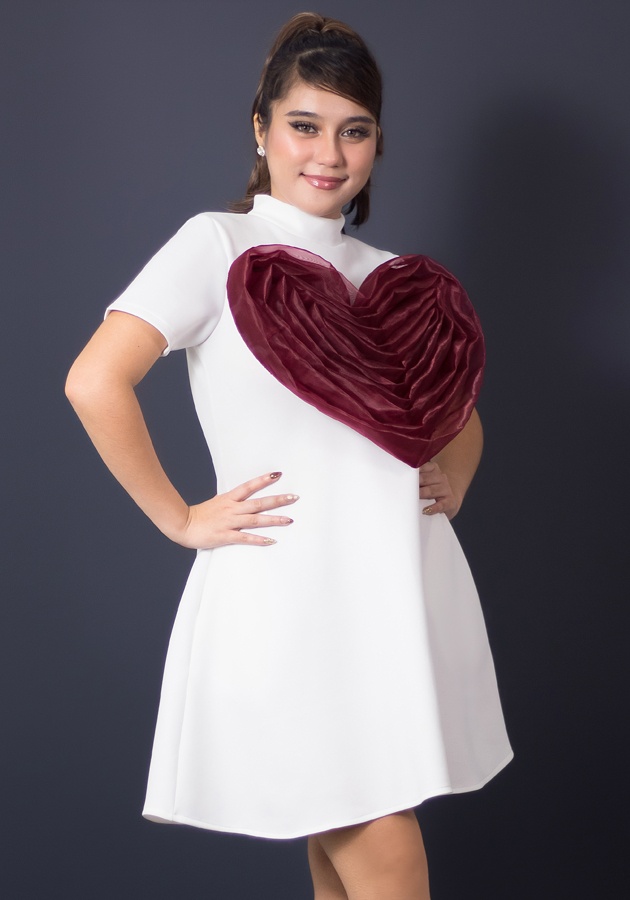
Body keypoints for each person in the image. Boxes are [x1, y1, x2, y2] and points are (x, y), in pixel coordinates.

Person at [66, 12, 512, 900]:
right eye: (305, 125)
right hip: (291, 601)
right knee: (382, 843)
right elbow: (94, 381)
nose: (329, 154)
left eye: (355, 131)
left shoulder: (394, 275)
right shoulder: (217, 243)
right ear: (261, 128)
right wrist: (180, 517)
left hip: (398, 593)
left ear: (378, 142)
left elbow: (460, 419)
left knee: (341, 838)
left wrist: (451, 479)